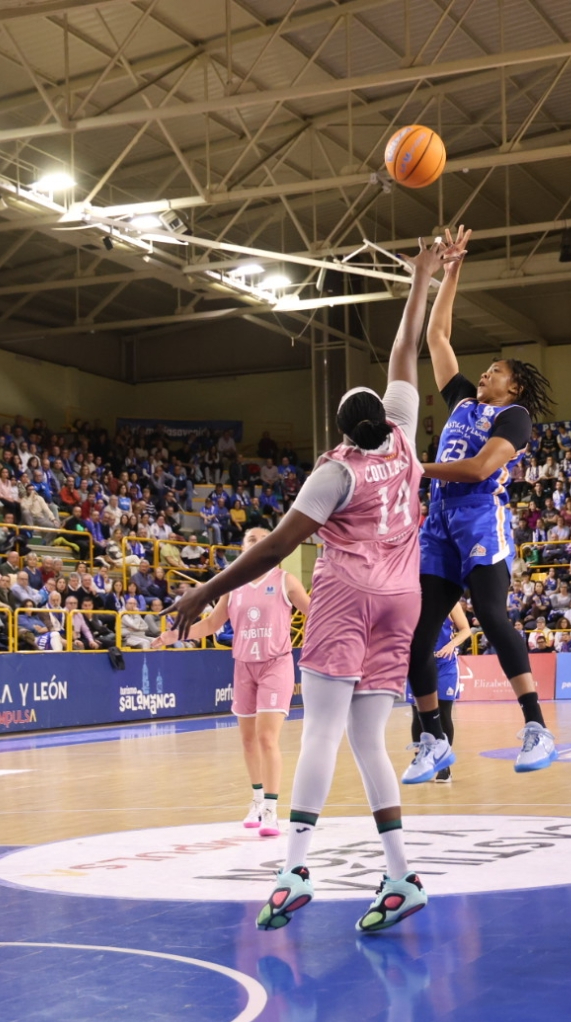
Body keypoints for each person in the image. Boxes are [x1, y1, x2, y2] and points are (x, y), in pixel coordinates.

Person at [167, 236, 440, 936]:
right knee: (370, 743)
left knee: (321, 731)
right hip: (402, 599)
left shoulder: (335, 472)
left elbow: (277, 550)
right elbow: (405, 352)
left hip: (349, 596)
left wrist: (202, 592)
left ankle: (292, 872)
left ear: (341, 429)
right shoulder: (407, 437)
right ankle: (401, 873)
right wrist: (423, 280)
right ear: (384, 417)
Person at [410, 226, 560, 775]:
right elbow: (437, 338)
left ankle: (536, 728)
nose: (486, 371)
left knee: (493, 616)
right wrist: (452, 271)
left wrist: (416, 467)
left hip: (477, 517)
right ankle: (432, 738)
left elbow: (477, 469)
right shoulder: (460, 402)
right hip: (438, 522)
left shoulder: (512, 418)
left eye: (496, 370)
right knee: (421, 632)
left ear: (512, 386)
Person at [154, 526, 310, 837]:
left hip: (275, 664)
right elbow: (212, 624)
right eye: (250, 539)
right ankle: (255, 799)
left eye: (261, 538)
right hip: (244, 667)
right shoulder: (233, 586)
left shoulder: (284, 580)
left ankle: (271, 808)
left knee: (267, 738)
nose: (255, 541)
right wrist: (174, 635)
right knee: (248, 740)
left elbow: (314, 613)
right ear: (243, 548)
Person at [404, 602, 472, 784]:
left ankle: (443, 764)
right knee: (417, 713)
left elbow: (466, 629)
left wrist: (452, 644)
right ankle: (420, 759)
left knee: (443, 713)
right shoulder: (409, 596)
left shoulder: (449, 599)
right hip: (419, 661)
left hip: (445, 663)